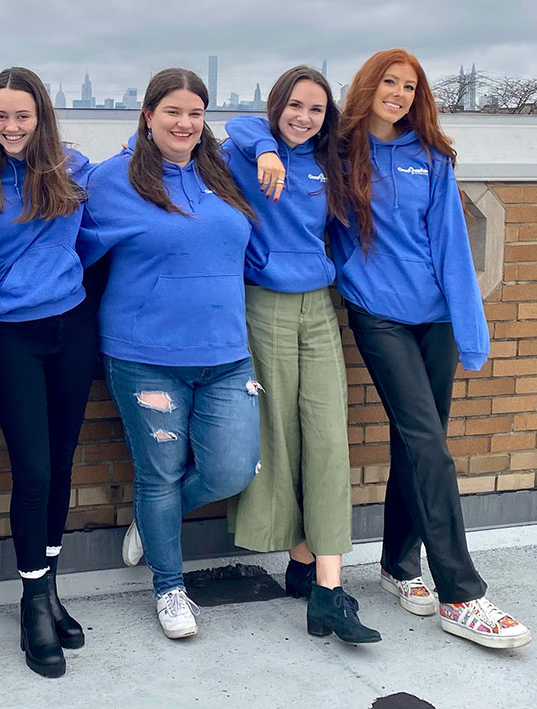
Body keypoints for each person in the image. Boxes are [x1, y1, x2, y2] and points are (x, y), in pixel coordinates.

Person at [334, 49, 529, 648]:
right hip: (379, 316)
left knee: (417, 445)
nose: (398, 93)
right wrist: (264, 150)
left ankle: (397, 563)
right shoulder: (336, 153)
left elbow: (451, 249)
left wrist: (470, 331)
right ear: (367, 86)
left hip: (436, 318)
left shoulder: (432, 157)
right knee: (429, 446)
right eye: (389, 82)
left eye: (409, 86)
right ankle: (462, 595)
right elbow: (245, 133)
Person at [76, 68, 260, 640]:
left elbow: (262, 126)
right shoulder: (110, 181)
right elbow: (62, 240)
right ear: (148, 116)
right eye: (172, 112)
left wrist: (270, 149)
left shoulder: (223, 172)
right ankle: (169, 587)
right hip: (144, 355)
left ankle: (156, 521)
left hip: (228, 353)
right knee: (156, 474)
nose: (184, 123)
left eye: (196, 113)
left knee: (231, 469)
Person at [0, 67, 96, 678]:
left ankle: (51, 588)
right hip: (10, 335)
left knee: (61, 464)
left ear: (42, 118)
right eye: (0, 116)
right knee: (32, 470)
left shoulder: (73, 169)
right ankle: (32, 601)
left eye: (23, 116)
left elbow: (88, 240)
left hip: (72, 328)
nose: (11, 127)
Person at [222, 66, 380, 643]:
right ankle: (301, 562)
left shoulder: (327, 164)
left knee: (327, 438)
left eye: (315, 109)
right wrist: (266, 148)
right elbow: (232, 124)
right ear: (277, 105)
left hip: (319, 308)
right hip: (260, 306)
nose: (304, 117)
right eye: (294, 105)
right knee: (278, 436)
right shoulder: (245, 151)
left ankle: (328, 592)